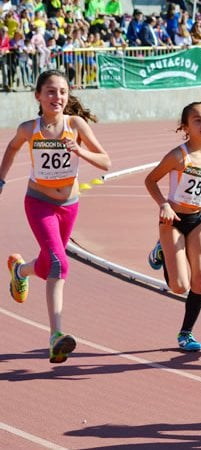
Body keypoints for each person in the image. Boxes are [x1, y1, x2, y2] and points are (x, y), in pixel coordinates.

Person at [0, 70, 111, 363]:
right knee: (60, 264)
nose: (57, 97)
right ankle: (55, 335)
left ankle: (20, 271)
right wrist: (1, 180)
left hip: (69, 205)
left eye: (62, 92)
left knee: (51, 263)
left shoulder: (76, 125)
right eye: (50, 91)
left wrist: (81, 152)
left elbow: (106, 161)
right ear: (38, 96)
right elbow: (11, 149)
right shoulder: (29, 129)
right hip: (39, 202)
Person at [143, 102, 201, 352]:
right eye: (197, 120)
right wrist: (164, 204)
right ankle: (161, 251)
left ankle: (186, 333)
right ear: (185, 127)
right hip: (172, 220)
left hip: (197, 220)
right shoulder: (178, 156)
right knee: (179, 286)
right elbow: (150, 180)